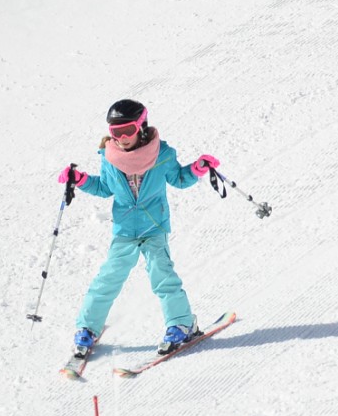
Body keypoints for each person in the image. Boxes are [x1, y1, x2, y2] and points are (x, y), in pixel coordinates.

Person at [61, 99, 219, 358]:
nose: (122, 138)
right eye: (116, 133)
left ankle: (182, 323)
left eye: (128, 131)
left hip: (153, 227)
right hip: (124, 230)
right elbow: (104, 187)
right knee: (108, 279)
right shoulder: (109, 157)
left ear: (141, 127)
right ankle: (87, 328)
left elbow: (179, 179)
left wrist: (196, 169)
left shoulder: (163, 154)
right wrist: (80, 180)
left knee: (162, 275)